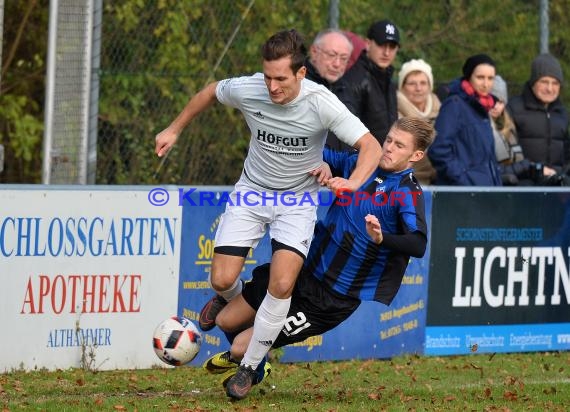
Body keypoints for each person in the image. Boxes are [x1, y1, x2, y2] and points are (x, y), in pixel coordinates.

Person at [155, 29, 382, 400]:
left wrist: (354, 183)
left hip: (297, 202)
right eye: (267, 77)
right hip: (251, 193)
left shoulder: (321, 103)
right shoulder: (250, 89)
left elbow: (370, 145)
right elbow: (210, 92)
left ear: (301, 74)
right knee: (221, 279)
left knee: (281, 285)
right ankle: (234, 297)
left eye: (281, 79)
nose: (272, 87)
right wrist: (174, 129)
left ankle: (250, 367)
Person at [202, 117, 435, 399]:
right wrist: (320, 161)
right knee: (226, 321)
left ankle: (254, 367)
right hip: (301, 269)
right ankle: (234, 305)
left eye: (399, 145)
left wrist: (383, 237)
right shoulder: (361, 165)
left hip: (330, 300)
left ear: (416, 155)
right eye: (388, 139)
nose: (388, 148)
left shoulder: (407, 192)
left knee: (241, 346)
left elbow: (418, 243)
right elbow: (316, 153)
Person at [428, 53, 502, 186]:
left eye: (491, 78)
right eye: (480, 77)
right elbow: (438, 150)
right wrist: (463, 181)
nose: (486, 84)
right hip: (463, 194)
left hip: (485, 191)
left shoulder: (483, 107)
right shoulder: (454, 105)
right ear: (469, 77)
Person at [334, 19, 401, 149]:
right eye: (382, 45)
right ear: (368, 44)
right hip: (362, 161)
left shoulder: (388, 80)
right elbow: (347, 134)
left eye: (392, 47)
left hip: (384, 159)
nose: (387, 52)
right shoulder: (354, 80)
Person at [507, 53, 570, 174]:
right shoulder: (513, 109)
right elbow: (508, 155)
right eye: (544, 82)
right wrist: (536, 171)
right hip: (525, 186)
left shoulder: (562, 113)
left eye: (555, 83)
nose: (550, 88)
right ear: (533, 82)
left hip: (558, 185)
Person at [490, 75, 556, 185]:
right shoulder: (481, 129)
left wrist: (534, 170)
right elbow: (490, 170)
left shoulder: (508, 129)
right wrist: (528, 167)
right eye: (492, 100)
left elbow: (515, 164)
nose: (496, 106)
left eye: (500, 102)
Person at [397, 58, 441, 185]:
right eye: (412, 83)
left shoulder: (441, 111)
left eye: (423, 83)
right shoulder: (395, 116)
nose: (418, 88)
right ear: (402, 87)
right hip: (409, 182)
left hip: (440, 179)